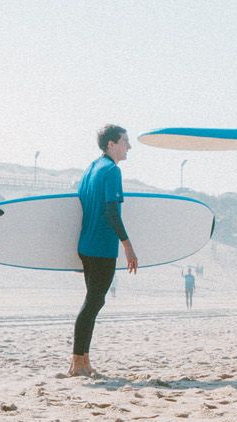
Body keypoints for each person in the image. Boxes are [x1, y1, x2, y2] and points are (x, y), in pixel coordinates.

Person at [68, 125, 139, 378]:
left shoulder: (91, 169)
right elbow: (111, 211)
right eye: (125, 141)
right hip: (101, 247)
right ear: (111, 144)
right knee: (93, 303)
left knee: (94, 301)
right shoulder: (112, 171)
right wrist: (128, 246)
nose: (128, 146)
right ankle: (77, 362)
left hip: (87, 246)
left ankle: (84, 360)